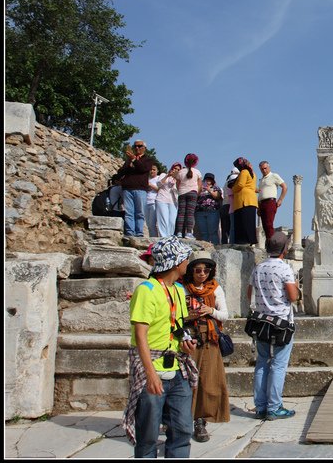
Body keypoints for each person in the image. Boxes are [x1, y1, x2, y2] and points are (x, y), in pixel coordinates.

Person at [122, 236, 198, 458]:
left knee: (183, 428)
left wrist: (185, 340)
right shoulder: (146, 290)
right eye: (186, 258)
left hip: (176, 369)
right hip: (152, 369)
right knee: (147, 435)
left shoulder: (177, 290)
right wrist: (150, 373)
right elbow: (140, 335)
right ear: (175, 262)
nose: (188, 263)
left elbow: (176, 325)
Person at [248, 231, 299, 420]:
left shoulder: (258, 268)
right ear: (285, 249)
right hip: (281, 322)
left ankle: (260, 406)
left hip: (261, 321)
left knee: (262, 362)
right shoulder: (284, 269)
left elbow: (249, 293)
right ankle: (274, 406)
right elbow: (293, 296)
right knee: (278, 364)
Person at [183, 252, 230, 442]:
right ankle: (182, 418)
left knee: (208, 381)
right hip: (188, 339)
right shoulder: (183, 289)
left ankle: (201, 420)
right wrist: (190, 316)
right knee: (187, 381)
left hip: (209, 339)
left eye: (206, 270)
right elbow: (176, 316)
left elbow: (225, 315)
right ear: (191, 271)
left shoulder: (215, 289)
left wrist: (210, 311)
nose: (202, 274)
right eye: (198, 270)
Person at [117, 140, 155, 237]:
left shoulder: (148, 160)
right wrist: (129, 164)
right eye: (135, 146)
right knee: (129, 212)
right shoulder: (129, 160)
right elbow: (120, 172)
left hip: (140, 189)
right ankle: (130, 232)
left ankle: (139, 233)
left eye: (139, 146)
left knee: (140, 212)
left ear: (144, 148)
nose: (137, 148)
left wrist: (134, 159)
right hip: (127, 188)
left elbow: (143, 168)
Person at [257, 161, 288, 243]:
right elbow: (260, 194)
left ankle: (273, 245)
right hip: (261, 203)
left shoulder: (274, 176)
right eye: (262, 169)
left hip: (270, 202)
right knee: (265, 226)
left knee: (269, 224)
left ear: (269, 168)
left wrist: (280, 199)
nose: (264, 170)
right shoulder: (261, 180)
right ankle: (269, 244)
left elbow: (284, 187)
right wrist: (258, 207)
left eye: (265, 168)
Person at [232, 157, 258, 246]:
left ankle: (243, 241)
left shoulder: (244, 172)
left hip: (243, 200)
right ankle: (250, 240)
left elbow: (240, 184)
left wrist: (233, 189)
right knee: (250, 222)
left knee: (243, 222)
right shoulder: (253, 173)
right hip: (251, 199)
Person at [175, 154, 202, 239]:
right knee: (190, 214)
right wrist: (196, 193)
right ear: (196, 162)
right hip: (193, 193)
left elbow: (177, 185)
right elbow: (200, 186)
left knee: (181, 213)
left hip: (182, 193)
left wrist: (181, 191)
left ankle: (179, 232)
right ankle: (189, 233)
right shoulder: (197, 172)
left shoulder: (180, 172)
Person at [194, 173, 222, 244]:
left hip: (212, 211)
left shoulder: (216, 188)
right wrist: (200, 188)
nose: (208, 181)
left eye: (209, 180)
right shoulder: (200, 188)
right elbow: (195, 196)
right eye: (206, 179)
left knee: (213, 232)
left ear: (212, 181)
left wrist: (209, 190)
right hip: (200, 212)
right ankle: (205, 248)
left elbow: (217, 196)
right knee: (203, 233)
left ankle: (215, 247)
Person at [156, 163, 181, 238]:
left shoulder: (178, 180)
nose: (176, 170)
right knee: (163, 220)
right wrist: (168, 175)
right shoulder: (164, 175)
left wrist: (176, 179)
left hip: (173, 201)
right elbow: (158, 184)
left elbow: (179, 190)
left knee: (172, 222)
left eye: (178, 169)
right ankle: (163, 237)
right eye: (175, 168)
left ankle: (170, 237)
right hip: (162, 199)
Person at [220, 168, 238, 244]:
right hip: (231, 205)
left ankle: (224, 243)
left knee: (225, 228)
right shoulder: (234, 178)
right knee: (233, 227)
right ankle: (232, 243)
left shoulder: (226, 181)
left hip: (224, 205)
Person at [145, 165, 163, 237]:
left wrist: (150, 185)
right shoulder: (146, 179)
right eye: (150, 169)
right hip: (146, 202)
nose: (152, 171)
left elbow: (160, 190)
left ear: (157, 170)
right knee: (148, 224)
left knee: (152, 224)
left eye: (154, 169)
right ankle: (151, 239)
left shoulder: (158, 178)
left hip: (154, 202)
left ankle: (154, 240)